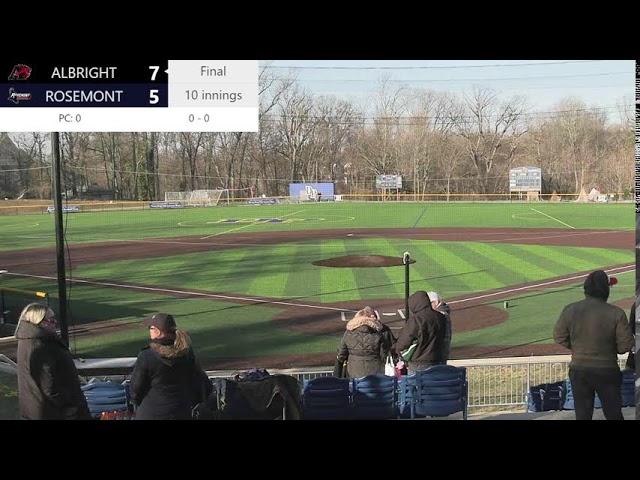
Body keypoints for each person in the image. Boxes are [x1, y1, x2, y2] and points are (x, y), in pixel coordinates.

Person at [554, 270, 634, 420]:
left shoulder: (570, 309)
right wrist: (609, 350)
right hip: (607, 370)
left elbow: (559, 336)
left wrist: (578, 348)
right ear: (606, 289)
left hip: (579, 370)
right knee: (613, 414)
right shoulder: (616, 313)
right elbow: (626, 345)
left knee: (583, 415)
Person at [15, 302, 90, 420]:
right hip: (55, 413)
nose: (55, 323)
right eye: (51, 320)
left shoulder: (28, 341)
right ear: (39, 322)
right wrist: (70, 406)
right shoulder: (41, 345)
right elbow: (49, 386)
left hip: (38, 410)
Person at [129, 313, 212, 420]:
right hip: (181, 412)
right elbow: (202, 384)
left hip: (151, 413)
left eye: (151, 327)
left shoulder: (147, 355)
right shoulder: (187, 353)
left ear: (158, 331)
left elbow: (135, 391)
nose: (149, 330)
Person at [393, 291, 447, 374]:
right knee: (435, 385)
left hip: (419, 363)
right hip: (438, 361)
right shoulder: (441, 317)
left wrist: (398, 350)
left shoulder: (416, 320)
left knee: (416, 386)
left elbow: (403, 342)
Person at [334, 306, 394, 378]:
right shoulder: (378, 334)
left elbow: (341, 355)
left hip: (353, 373)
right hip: (375, 374)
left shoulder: (349, 333)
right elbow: (384, 356)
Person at [427, 291, 452, 363]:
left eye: (429, 303)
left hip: (437, 354)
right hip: (440, 353)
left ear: (435, 302)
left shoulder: (440, 315)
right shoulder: (442, 313)